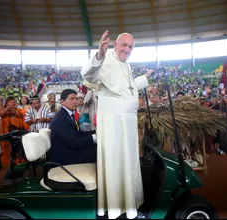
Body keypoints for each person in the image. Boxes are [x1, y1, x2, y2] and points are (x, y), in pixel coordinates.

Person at [81, 30, 153, 219]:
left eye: (130, 47)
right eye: (124, 45)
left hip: (127, 123)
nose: (127, 50)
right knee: (116, 163)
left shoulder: (126, 65)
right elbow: (87, 75)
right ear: (115, 45)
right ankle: (115, 210)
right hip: (114, 123)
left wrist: (144, 78)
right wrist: (99, 55)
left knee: (128, 162)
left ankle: (130, 206)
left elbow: (124, 89)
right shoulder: (106, 59)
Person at [48, 89, 97, 166]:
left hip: (69, 151)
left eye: (76, 99)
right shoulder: (61, 118)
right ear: (62, 101)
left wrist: (95, 133)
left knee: (97, 147)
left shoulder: (68, 115)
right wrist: (94, 137)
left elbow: (78, 133)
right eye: (71, 99)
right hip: (64, 157)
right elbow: (73, 142)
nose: (75, 101)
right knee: (98, 150)